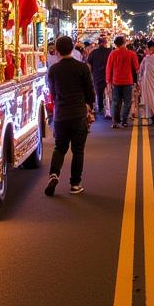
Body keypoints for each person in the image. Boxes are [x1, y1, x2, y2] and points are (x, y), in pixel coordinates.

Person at [45, 35, 94, 196]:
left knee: (60, 147)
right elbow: (89, 91)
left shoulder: (53, 70)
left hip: (61, 115)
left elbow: (53, 92)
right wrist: (89, 108)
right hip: (78, 113)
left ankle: (54, 173)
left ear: (57, 51)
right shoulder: (82, 68)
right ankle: (75, 184)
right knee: (78, 150)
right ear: (72, 49)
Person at [106, 35, 139, 129]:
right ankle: (124, 121)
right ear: (124, 43)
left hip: (116, 81)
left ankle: (115, 121)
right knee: (127, 102)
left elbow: (108, 68)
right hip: (128, 81)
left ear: (115, 44)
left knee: (116, 102)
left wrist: (108, 81)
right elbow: (137, 68)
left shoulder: (112, 54)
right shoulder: (131, 54)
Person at [86, 35, 111, 118]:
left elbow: (89, 65)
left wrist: (89, 75)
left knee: (99, 93)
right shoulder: (110, 51)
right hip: (108, 76)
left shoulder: (93, 52)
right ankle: (108, 111)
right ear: (105, 43)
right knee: (108, 94)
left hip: (97, 76)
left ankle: (100, 108)